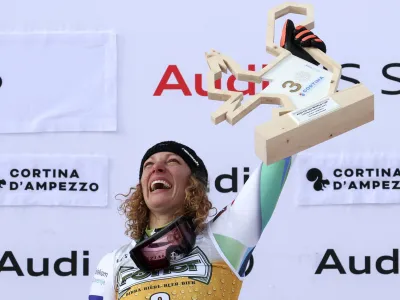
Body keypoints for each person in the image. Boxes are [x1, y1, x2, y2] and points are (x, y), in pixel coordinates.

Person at [88, 20, 327, 300]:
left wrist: (304, 74)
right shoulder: (113, 263)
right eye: (148, 165)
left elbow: (280, 153)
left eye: (172, 162)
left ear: (194, 185)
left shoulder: (225, 238)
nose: (157, 168)